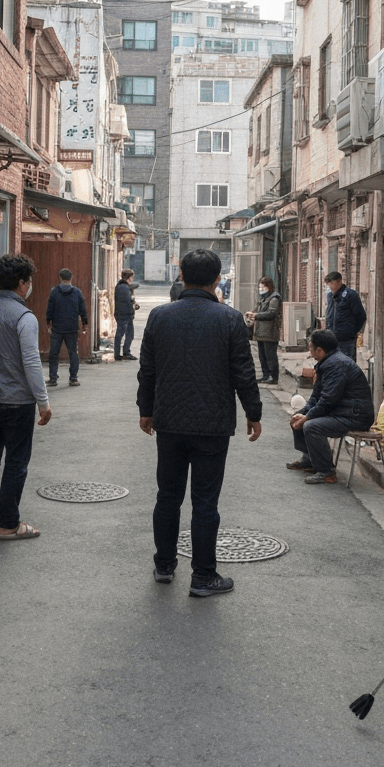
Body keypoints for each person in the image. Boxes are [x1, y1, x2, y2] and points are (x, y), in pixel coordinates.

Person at [137, 248, 262, 597]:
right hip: (213, 425)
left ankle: (164, 564)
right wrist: (254, 412)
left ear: (181, 275)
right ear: (217, 279)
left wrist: (145, 410)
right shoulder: (230, 318)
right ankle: (203, 576)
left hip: (169, 422)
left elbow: (148, 370)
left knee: (168, 496)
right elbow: (243, 372)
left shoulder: (160, 316)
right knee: (205, 502)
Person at [0, 253, 52, 540]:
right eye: (28, 281)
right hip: (17, 401)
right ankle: (9, 524)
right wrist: (43, 402)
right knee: (16, 461)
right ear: (22, 283)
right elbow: (31, 362)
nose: (29, 286)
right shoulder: (24, 317)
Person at [288, 328, 373, 485]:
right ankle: (310, 460)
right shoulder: (327, 362)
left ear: (319, 350)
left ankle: (327, 472)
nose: (309, 350)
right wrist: (304, 413)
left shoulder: (337, 365)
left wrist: (308, 417)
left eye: (310, 347)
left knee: (311, 426)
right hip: (341, 412)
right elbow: (316, 396)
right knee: (297, 417)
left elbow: (328, 400)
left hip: (354, 416)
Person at [45, 268, 88, 388]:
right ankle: (73, 378)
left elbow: (50, 309)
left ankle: (53, 378)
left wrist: (48, 323)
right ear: (71, 278)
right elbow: (82, 309)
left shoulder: (54, 292)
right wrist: (84, 324)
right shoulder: (77, 292)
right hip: (72, 328)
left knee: (54, 354)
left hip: (57, 328)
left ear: (60, 278)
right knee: (73, 353)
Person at [245, 275, 282, 384]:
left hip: (270, 332)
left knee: (270, 355)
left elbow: (272, 313)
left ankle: (273, 377)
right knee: (262, 356)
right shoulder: (263, 299)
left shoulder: (274, 298)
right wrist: (252, 315)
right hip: (260, 332)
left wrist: (255, 315)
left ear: (269, 287)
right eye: (260, 287)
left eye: (263, 287)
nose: (260, 289)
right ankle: (265, 375)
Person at [323, 271, 367, 359]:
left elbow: (361, 316)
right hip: (332, 339)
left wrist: (353, 331)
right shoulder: (330, 296)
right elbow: (329, 314)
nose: (330, 286)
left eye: (331, 282)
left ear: (339, 281)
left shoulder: (350, 295)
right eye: (328, 283)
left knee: (346, 366)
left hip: (346, 340)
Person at [114, 268, 139, 360]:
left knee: (126, 334)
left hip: (124, 313)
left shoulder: (123, 286)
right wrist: (133, 306)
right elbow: (126, 301)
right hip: (124, 314)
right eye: (132, 277)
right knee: (124, 334)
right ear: (129, 277)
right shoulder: (123, 288)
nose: (132, 279)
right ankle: (122, 353)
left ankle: (123, 353)